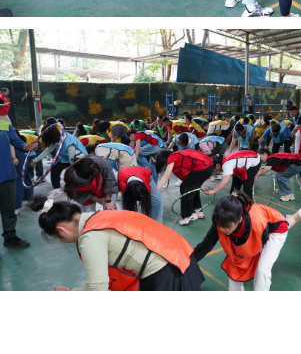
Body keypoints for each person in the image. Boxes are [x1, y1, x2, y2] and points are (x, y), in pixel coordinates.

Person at [28, 196, 203, 290]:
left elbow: (98, 290)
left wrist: (69, 292)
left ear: (62, 230)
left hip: (167, 274)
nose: (63, 241)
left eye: (59, 238)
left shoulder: (89, 238)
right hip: (182, 256)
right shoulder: (100, 216)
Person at [192, 193, 288, 291]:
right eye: (219, 225)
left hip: (276, 229)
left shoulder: (257, 225)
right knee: (235, 265)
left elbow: (257, 248)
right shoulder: (220, 222)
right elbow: (206, 244)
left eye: (225, 226)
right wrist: (189, 261)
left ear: (239, 219)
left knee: (262, 269)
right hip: (253, 230)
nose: (222, 229)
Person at [1, 121, 37, 248]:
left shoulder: (4, 125)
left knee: (8, 209)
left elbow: (16, 142)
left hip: (5, 175)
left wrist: (26, 147)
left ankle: (10, 237)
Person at [156, 147, 214, 225]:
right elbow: (189, 179)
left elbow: (166, 176)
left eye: (163, 163)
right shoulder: (178, 160)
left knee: (185, 188)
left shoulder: (171, 157)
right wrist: (202, 187)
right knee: (191, 187)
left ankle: (188, 216)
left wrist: (156, 190)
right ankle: (198, 211)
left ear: (164, 159)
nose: (164, 166)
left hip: (203, 166)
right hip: (208, 165)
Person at [31, 124, 88, 197]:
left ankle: (80, 187)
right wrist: (35, 160)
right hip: (66, 158)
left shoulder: (67, 141)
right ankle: (57, 189)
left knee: (74, 173)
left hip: (78, 157)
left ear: (51, 136)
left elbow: (71, 157)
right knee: (54, 169)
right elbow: (47, 150)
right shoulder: (56, 138)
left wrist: (71, 169)